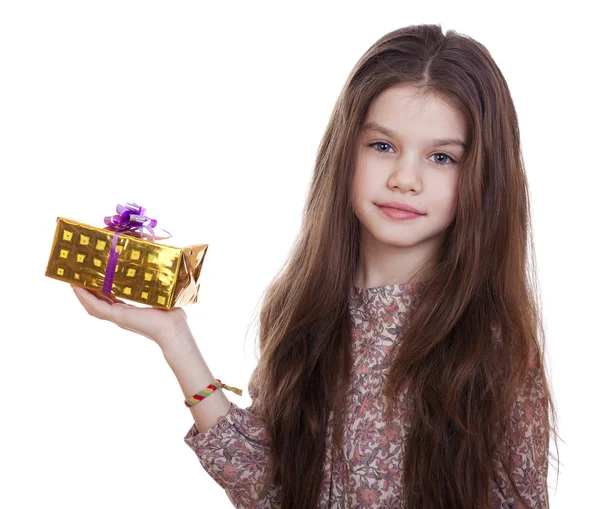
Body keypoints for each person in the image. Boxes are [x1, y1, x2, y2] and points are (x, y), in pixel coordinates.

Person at [72, 23, 559, 509]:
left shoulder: (491, 347)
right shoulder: (306, 308)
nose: (404, 178)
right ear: (346, 149)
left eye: (440, 157)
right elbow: (274, 490)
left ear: (482, 174)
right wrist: (173, 336)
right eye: (383, 146)